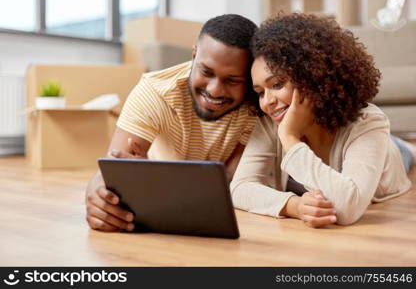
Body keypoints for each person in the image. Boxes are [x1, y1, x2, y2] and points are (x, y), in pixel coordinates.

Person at [230, 13, 416, 228]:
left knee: (401, 149)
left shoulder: (367, 121)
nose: (267, 102)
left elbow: (347, 208)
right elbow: (240, 187)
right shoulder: (269, 121)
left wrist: (289, 137)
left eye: (277, 84)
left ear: (310, 76)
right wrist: (294, 206)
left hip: (390, 157)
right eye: (260, 92)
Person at [85, 14, 259, 232]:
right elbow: (112, 171)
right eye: (206, 72)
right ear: (194, 55)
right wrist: (97, 194)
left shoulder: (257, 103)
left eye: (233, 80)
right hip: (163, 202)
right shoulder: (154, 92)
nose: (215, 90)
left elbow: (232, 179)